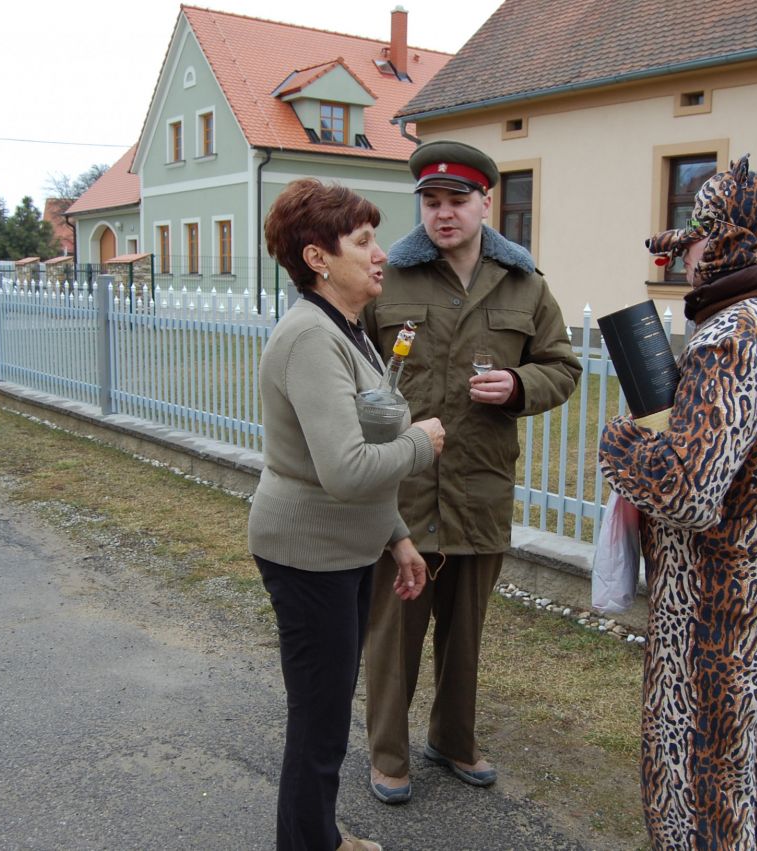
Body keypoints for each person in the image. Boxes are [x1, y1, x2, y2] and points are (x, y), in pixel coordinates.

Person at [601, 156, 757, 849]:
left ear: (734, 241)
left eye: (698, 235)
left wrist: (620, 444)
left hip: (718, 598)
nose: (686, 252)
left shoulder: (735, 333)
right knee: (745, 773)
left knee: (702, 784)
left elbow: (688, 488)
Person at [361, 140, 581, 804]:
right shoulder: (387, 278)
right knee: (395, 635)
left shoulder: (525, 285)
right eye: (431, 202)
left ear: (486, 202)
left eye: (457, 201)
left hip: (479, 486)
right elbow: (349, 359)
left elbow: (563, 366)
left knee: (464, 638)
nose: (443, 214)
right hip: (402, 488)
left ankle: (453, 740)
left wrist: (518, 385)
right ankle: (388, 754)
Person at [250, 178, 445, 851]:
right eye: (363, 241)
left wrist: (397, 537)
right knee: (319, 722)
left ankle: (319, 836)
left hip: (346, 550)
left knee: (327, 714)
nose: (380, 253)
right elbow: (346, 467)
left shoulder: (346, 329)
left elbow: (352, 452)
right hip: (310, 556)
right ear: (318, 259)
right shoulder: (312, 338)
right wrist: (422, 441)